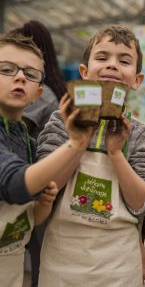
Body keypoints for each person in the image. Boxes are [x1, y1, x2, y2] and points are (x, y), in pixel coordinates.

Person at [36, 25, 145, 286]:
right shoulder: (62, 122)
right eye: (102, 57)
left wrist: (116, 153)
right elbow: (45, 187)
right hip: (62, 263)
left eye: (124, 60)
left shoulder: (143, 134)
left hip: (118, 267)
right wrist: (78, 141)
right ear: (84, 72)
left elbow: (143, 203)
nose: (112, 65)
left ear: (136, 80)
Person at [0, 33, 91, 287]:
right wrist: (75, 143)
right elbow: (15, 184)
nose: (19, 77)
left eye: (30, 74)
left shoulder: (29, 144)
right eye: (7, 69)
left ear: (38, 93)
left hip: (12, 269)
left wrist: (43, 204)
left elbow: (30, 220)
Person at [12, 19, 68, 287]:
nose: (18, 77)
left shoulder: (43, 97)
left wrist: (76, 143)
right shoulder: (58, 90)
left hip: (38, 176)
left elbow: (19, 125)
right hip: (48, 180)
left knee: (38, 253)